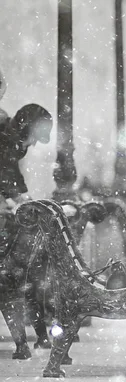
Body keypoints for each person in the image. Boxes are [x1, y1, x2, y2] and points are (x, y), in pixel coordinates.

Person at [0, 104, 53, 349]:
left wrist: (22, 197)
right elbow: (7, 172)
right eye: (35, 138)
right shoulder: (8, 142)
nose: (33, 145)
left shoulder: (12, 141)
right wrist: (18, 198)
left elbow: (11, 173)